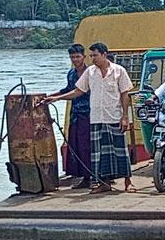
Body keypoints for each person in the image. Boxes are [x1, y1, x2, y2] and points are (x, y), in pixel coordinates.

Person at [41, 42, 134, 194]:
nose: (92, 59)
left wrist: (125, 117)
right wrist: (57, 98)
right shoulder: (90, 72)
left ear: (104, 54)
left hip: (114, 116)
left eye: (95, 55)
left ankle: (128, 182)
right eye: (91, 56)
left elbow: (125, 94)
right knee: (98, 153)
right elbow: (78, 91)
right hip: (96, 117)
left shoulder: (119, 71)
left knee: (120, 150)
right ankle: (103, 183)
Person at [50, 44, 92, 188]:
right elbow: (68, 89)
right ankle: (84, 176)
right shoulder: (71, 73)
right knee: (76, 145)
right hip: (75, 114)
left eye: (77, 57)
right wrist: (51, 96)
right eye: (72, 57)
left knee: (88, 145)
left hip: (90, 114)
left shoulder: (90, 73)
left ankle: (94, 175)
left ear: (83, 57)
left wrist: (58, 98)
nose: (75, 60)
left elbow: (79, 91)